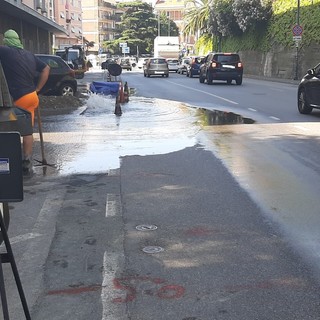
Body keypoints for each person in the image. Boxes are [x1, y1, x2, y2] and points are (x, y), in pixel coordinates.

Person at [0, 29, 50, 176]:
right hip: (31, 96)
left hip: (16, 97)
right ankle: (26, 162)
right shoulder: (29, 54)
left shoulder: (5, 52)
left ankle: (8, 162)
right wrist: (38, 89)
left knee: (8, 129)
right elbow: (46, 68)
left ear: (6, 41)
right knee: (27, 130)